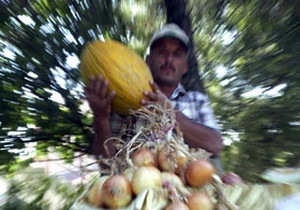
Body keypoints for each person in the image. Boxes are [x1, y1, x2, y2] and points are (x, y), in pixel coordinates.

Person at [84, 23, 222, 170]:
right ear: (148, 60)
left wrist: (170, 113)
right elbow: (106, 166)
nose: (169, 59)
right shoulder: (121, 103)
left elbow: (214, 146)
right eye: (162, 52)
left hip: (186, 192)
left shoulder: (196, 101)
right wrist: (100, 118)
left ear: (185, 66)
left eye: (176, 54)